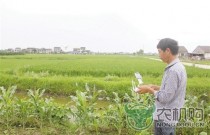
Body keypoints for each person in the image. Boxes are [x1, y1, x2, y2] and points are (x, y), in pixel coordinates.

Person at [136, 38, 187, 135]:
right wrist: (156, 87)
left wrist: (149, 90)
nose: (158, 55)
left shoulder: (173, 71)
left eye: (159, 51)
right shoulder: (179, 67)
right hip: (169, 117)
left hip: (165, 118)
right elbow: (172, 90)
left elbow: (164, 97)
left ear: (167, 51)